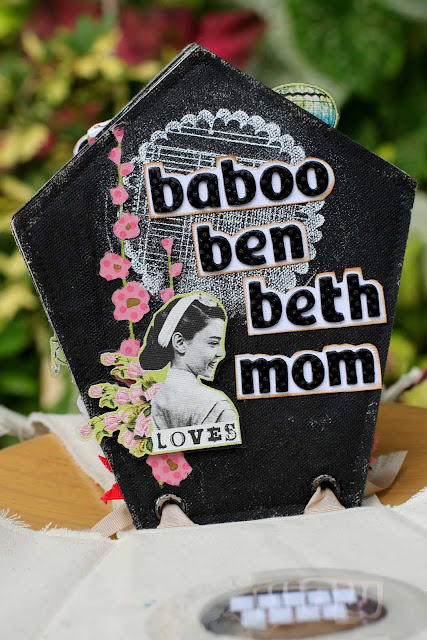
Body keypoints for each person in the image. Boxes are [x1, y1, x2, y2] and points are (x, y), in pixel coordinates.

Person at [139, 291, 238, 430]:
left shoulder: (153, 398)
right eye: (213, 343)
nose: (221, 353)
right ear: (179, 342)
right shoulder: (216, 405)